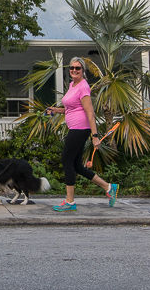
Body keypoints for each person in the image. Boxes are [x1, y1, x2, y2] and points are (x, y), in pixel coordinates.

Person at [45, 57, 118, 211]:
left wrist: (95, 136)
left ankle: (70, 202)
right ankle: (108, 187)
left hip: (80, 128)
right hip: (75, 127)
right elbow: (72, 108)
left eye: (77, 68)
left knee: (66, 160)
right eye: (72, 68)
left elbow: (90, 113)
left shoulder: (83, 87)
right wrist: (56, 110)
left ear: (83, 70)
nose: (74, 70)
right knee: (77, 165)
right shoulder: (73, 85)